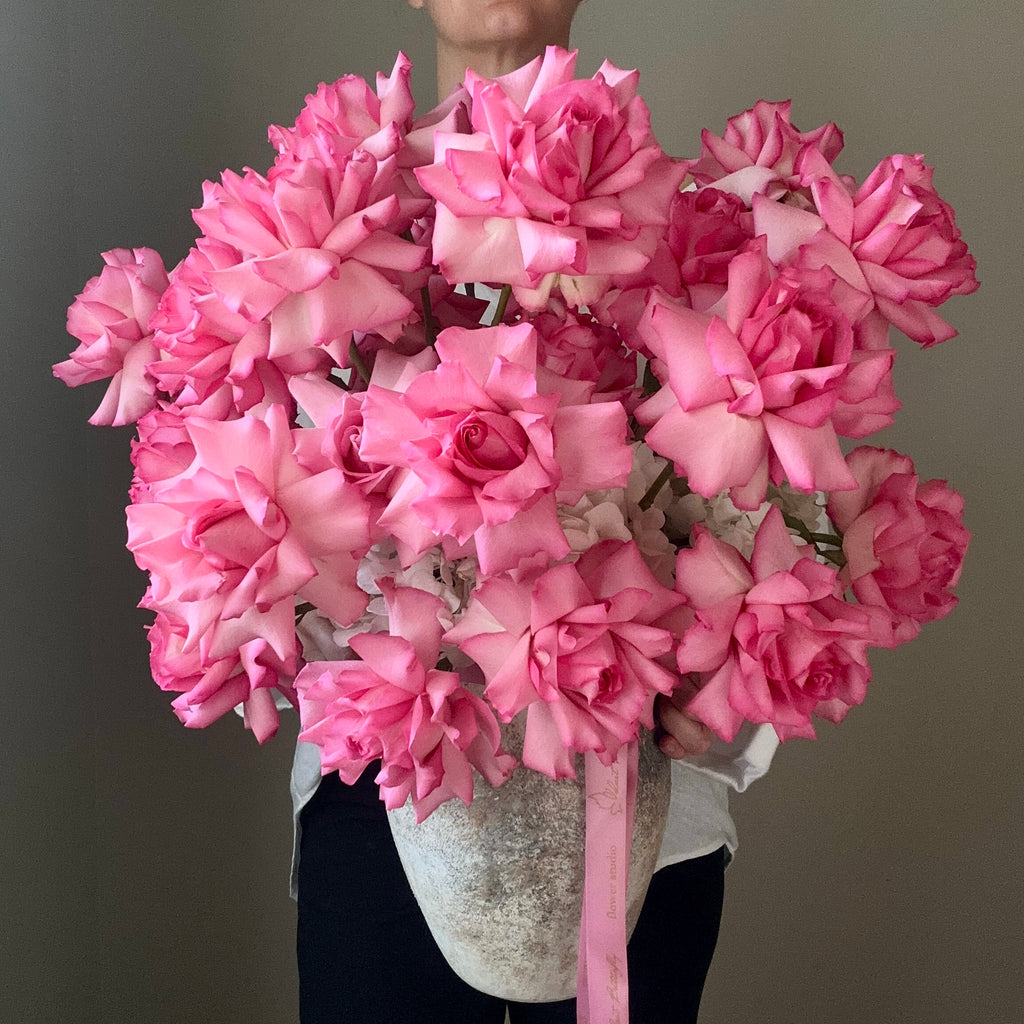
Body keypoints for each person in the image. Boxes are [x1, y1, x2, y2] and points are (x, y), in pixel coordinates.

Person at [293, 3, 778, 1021]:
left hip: (642, 813)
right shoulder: (329, 207)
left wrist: (722, 700)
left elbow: (773, 515)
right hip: (389, 801)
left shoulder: (689, 230)